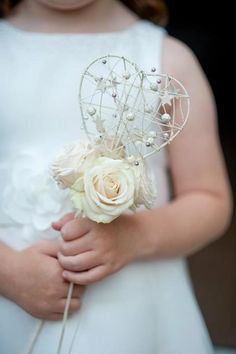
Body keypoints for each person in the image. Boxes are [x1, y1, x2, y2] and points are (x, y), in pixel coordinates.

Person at [0, 0, 232, 353]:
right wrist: (9, 272)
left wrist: (135, 236)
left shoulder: (167, 58)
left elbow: (210, 198)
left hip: (135, 321)